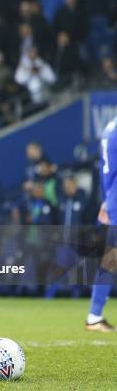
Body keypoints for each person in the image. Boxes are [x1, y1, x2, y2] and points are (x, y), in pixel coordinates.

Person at [86, 116, 117, 332]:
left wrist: (107, 198)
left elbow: (105, 169)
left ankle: (94, 316)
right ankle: (94, 316)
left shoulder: (110, 126)